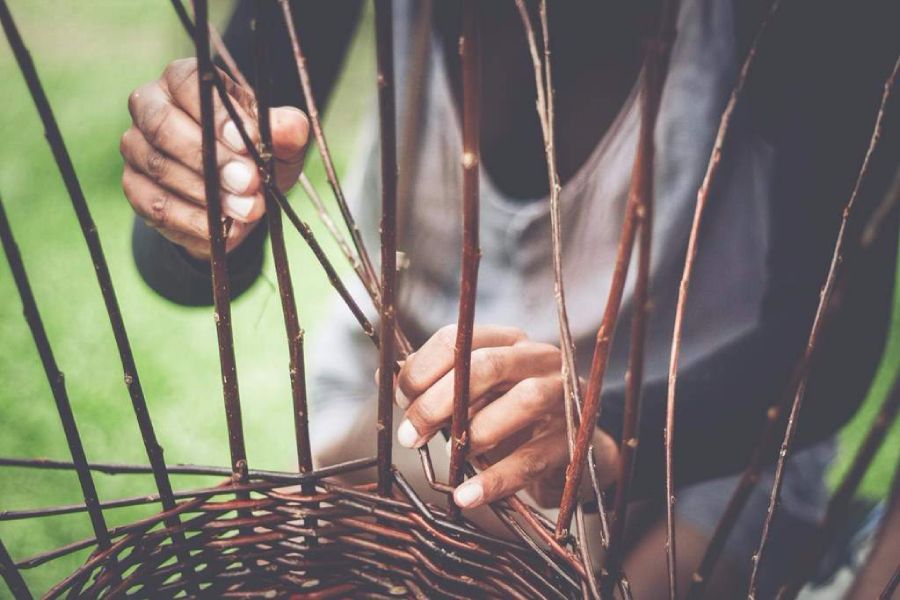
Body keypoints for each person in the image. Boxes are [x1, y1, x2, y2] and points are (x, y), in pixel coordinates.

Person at [121, 1, 898, 596]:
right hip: (407, 418)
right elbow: (181, 263)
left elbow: (830, 350)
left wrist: (612, 434)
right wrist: (196, 202)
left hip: (701, 449)